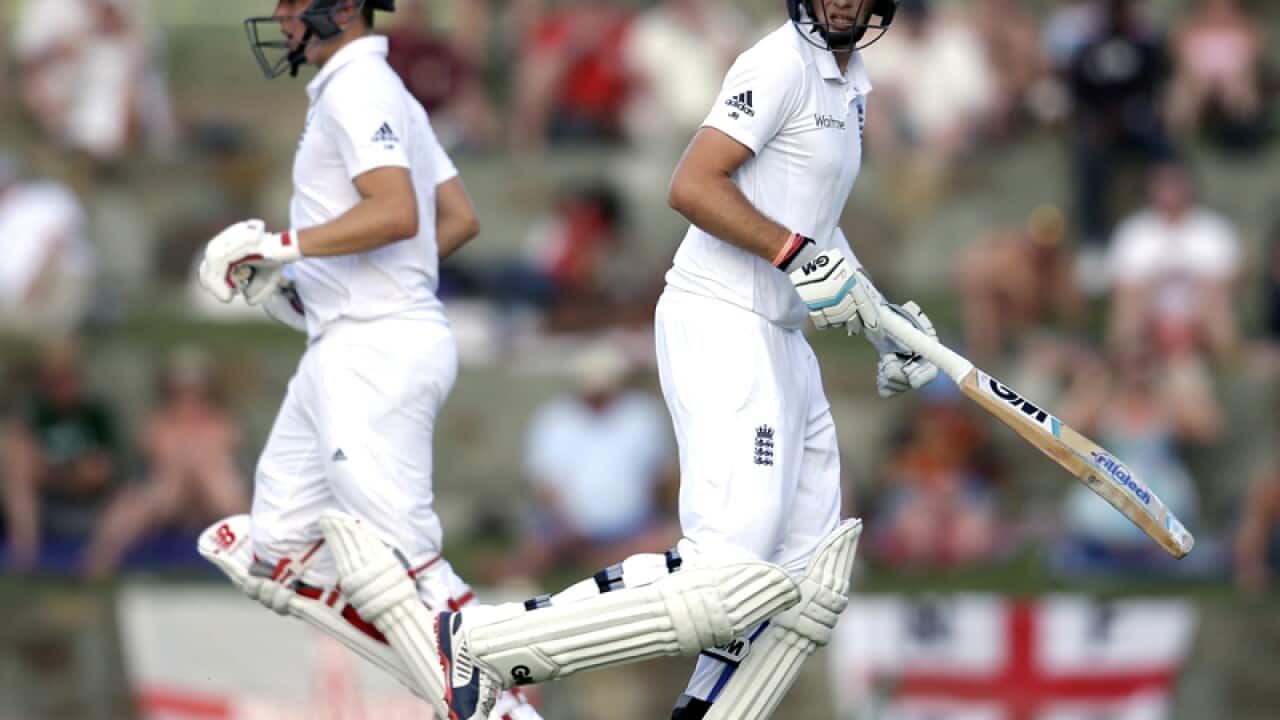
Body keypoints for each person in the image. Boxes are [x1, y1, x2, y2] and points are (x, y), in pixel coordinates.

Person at [313, 3, 939, 720]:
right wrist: (795, 254)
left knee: (806, 589)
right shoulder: (781, 63)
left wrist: (888, 323)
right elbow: (694, 185)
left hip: (782, 335)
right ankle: (482, 639)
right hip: (724, 316)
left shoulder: (850, 83)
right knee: (727, 582)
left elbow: (815, 228)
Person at [191, 2, 538, 718]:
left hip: (378, 348)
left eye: (294, 3)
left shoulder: (362, 88)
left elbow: (395, 214)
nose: (282, 16)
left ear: (343, 8)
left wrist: (280, 247)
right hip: (349, 340)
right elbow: (457, 219)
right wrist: (301, 288)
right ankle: (440, 663)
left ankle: (507, 701)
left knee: (404, 556)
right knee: (279, 545)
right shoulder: (375, 89)